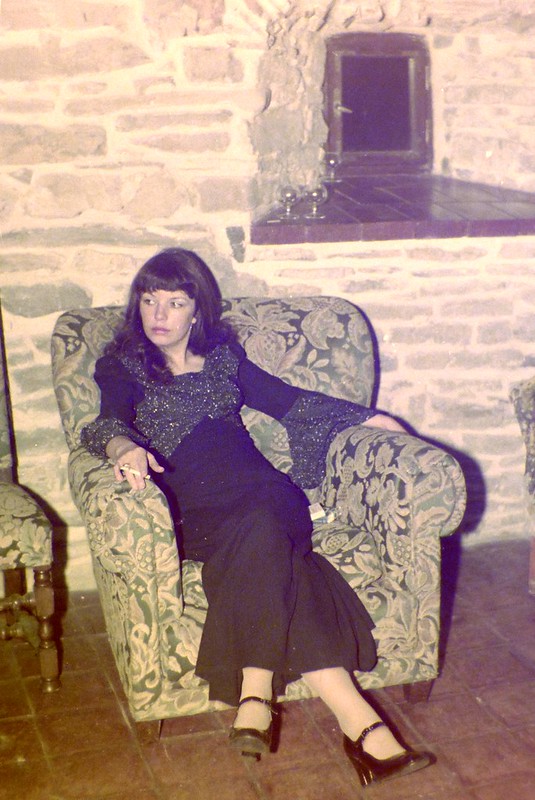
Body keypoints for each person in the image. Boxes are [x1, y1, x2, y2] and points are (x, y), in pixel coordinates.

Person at [81, 247, 435, 787]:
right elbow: (107, 422)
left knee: (266, 520)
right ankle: (363, 731)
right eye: (149, 301)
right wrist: (123, 447)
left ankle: (255, 695)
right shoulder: (122, 366)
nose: (159, 315)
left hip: (267, 491)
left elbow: (289, 402)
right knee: (283, 561)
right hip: (197, 509)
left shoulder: (224, 358)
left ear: (197, 311)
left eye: (175, 303)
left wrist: (369, 418)